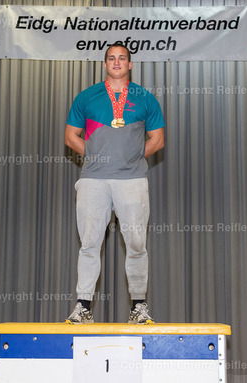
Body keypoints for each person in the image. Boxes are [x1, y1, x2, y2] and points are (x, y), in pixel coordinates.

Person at [64, 43, 165, 324]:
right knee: (89, 244)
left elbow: (158, 140)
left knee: (137, 244)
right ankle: (83, 307)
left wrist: (131, 158)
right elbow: (70, 136)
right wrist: (96, 156)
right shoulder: (87, 97)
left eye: (122, 58)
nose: (117, 62)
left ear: (130, 64)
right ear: (105, 64)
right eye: (111, 58)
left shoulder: (145, 98)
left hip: (132, 180)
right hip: (93, 179)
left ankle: (139, 307)